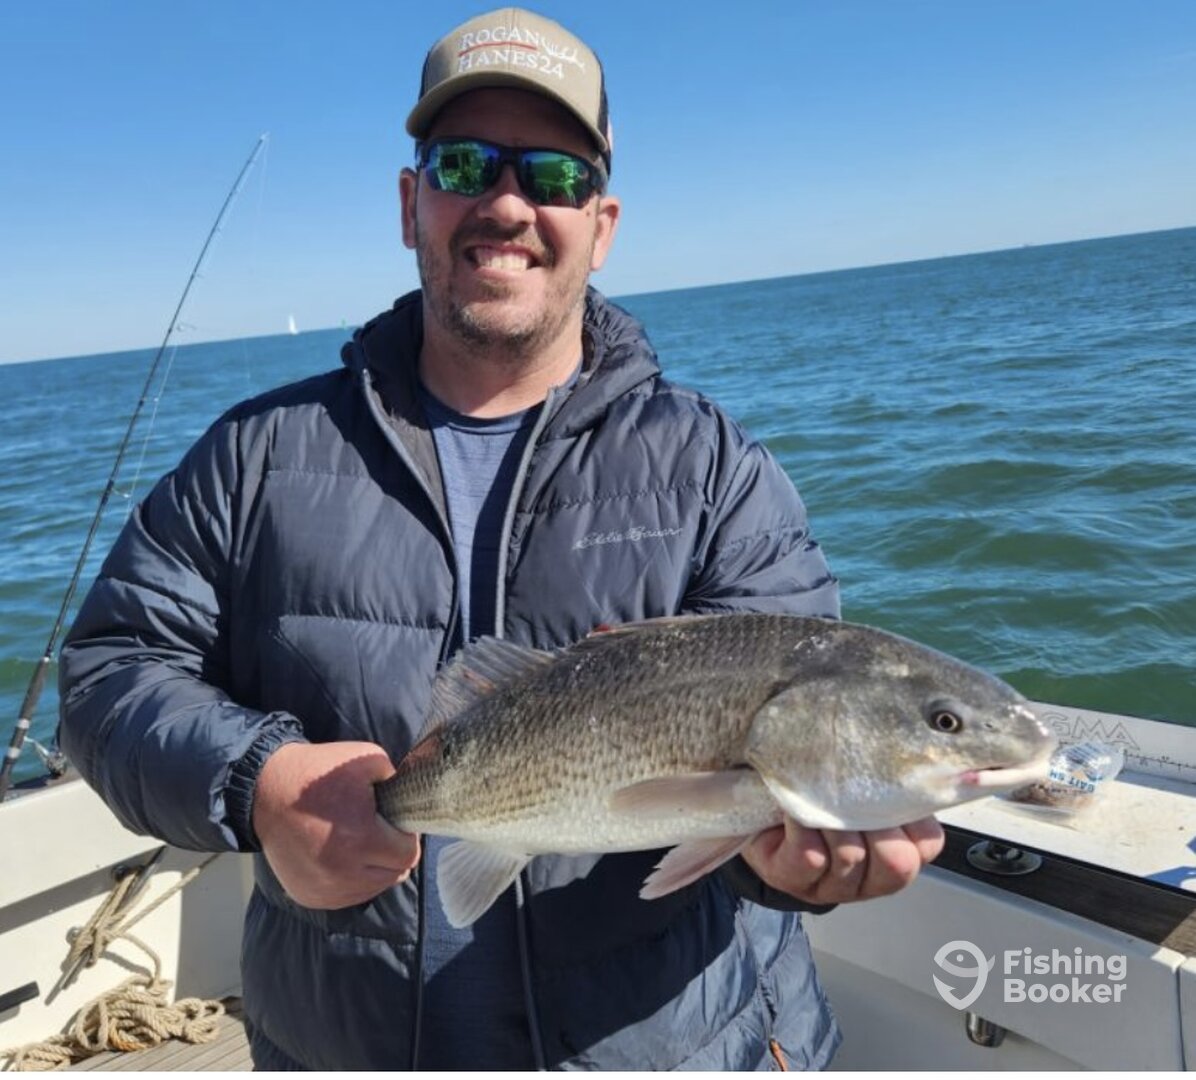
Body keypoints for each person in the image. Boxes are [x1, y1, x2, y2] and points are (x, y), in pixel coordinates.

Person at [58, 8, 943, 1071]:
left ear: (602, 224)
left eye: (557, 176)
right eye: (465, 164)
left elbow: (773, 769)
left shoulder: (717, 471)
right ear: (411, 203)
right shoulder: (255, 456)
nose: (509, 204)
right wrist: (257, 781)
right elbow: (107, 674)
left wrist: (791, 866)